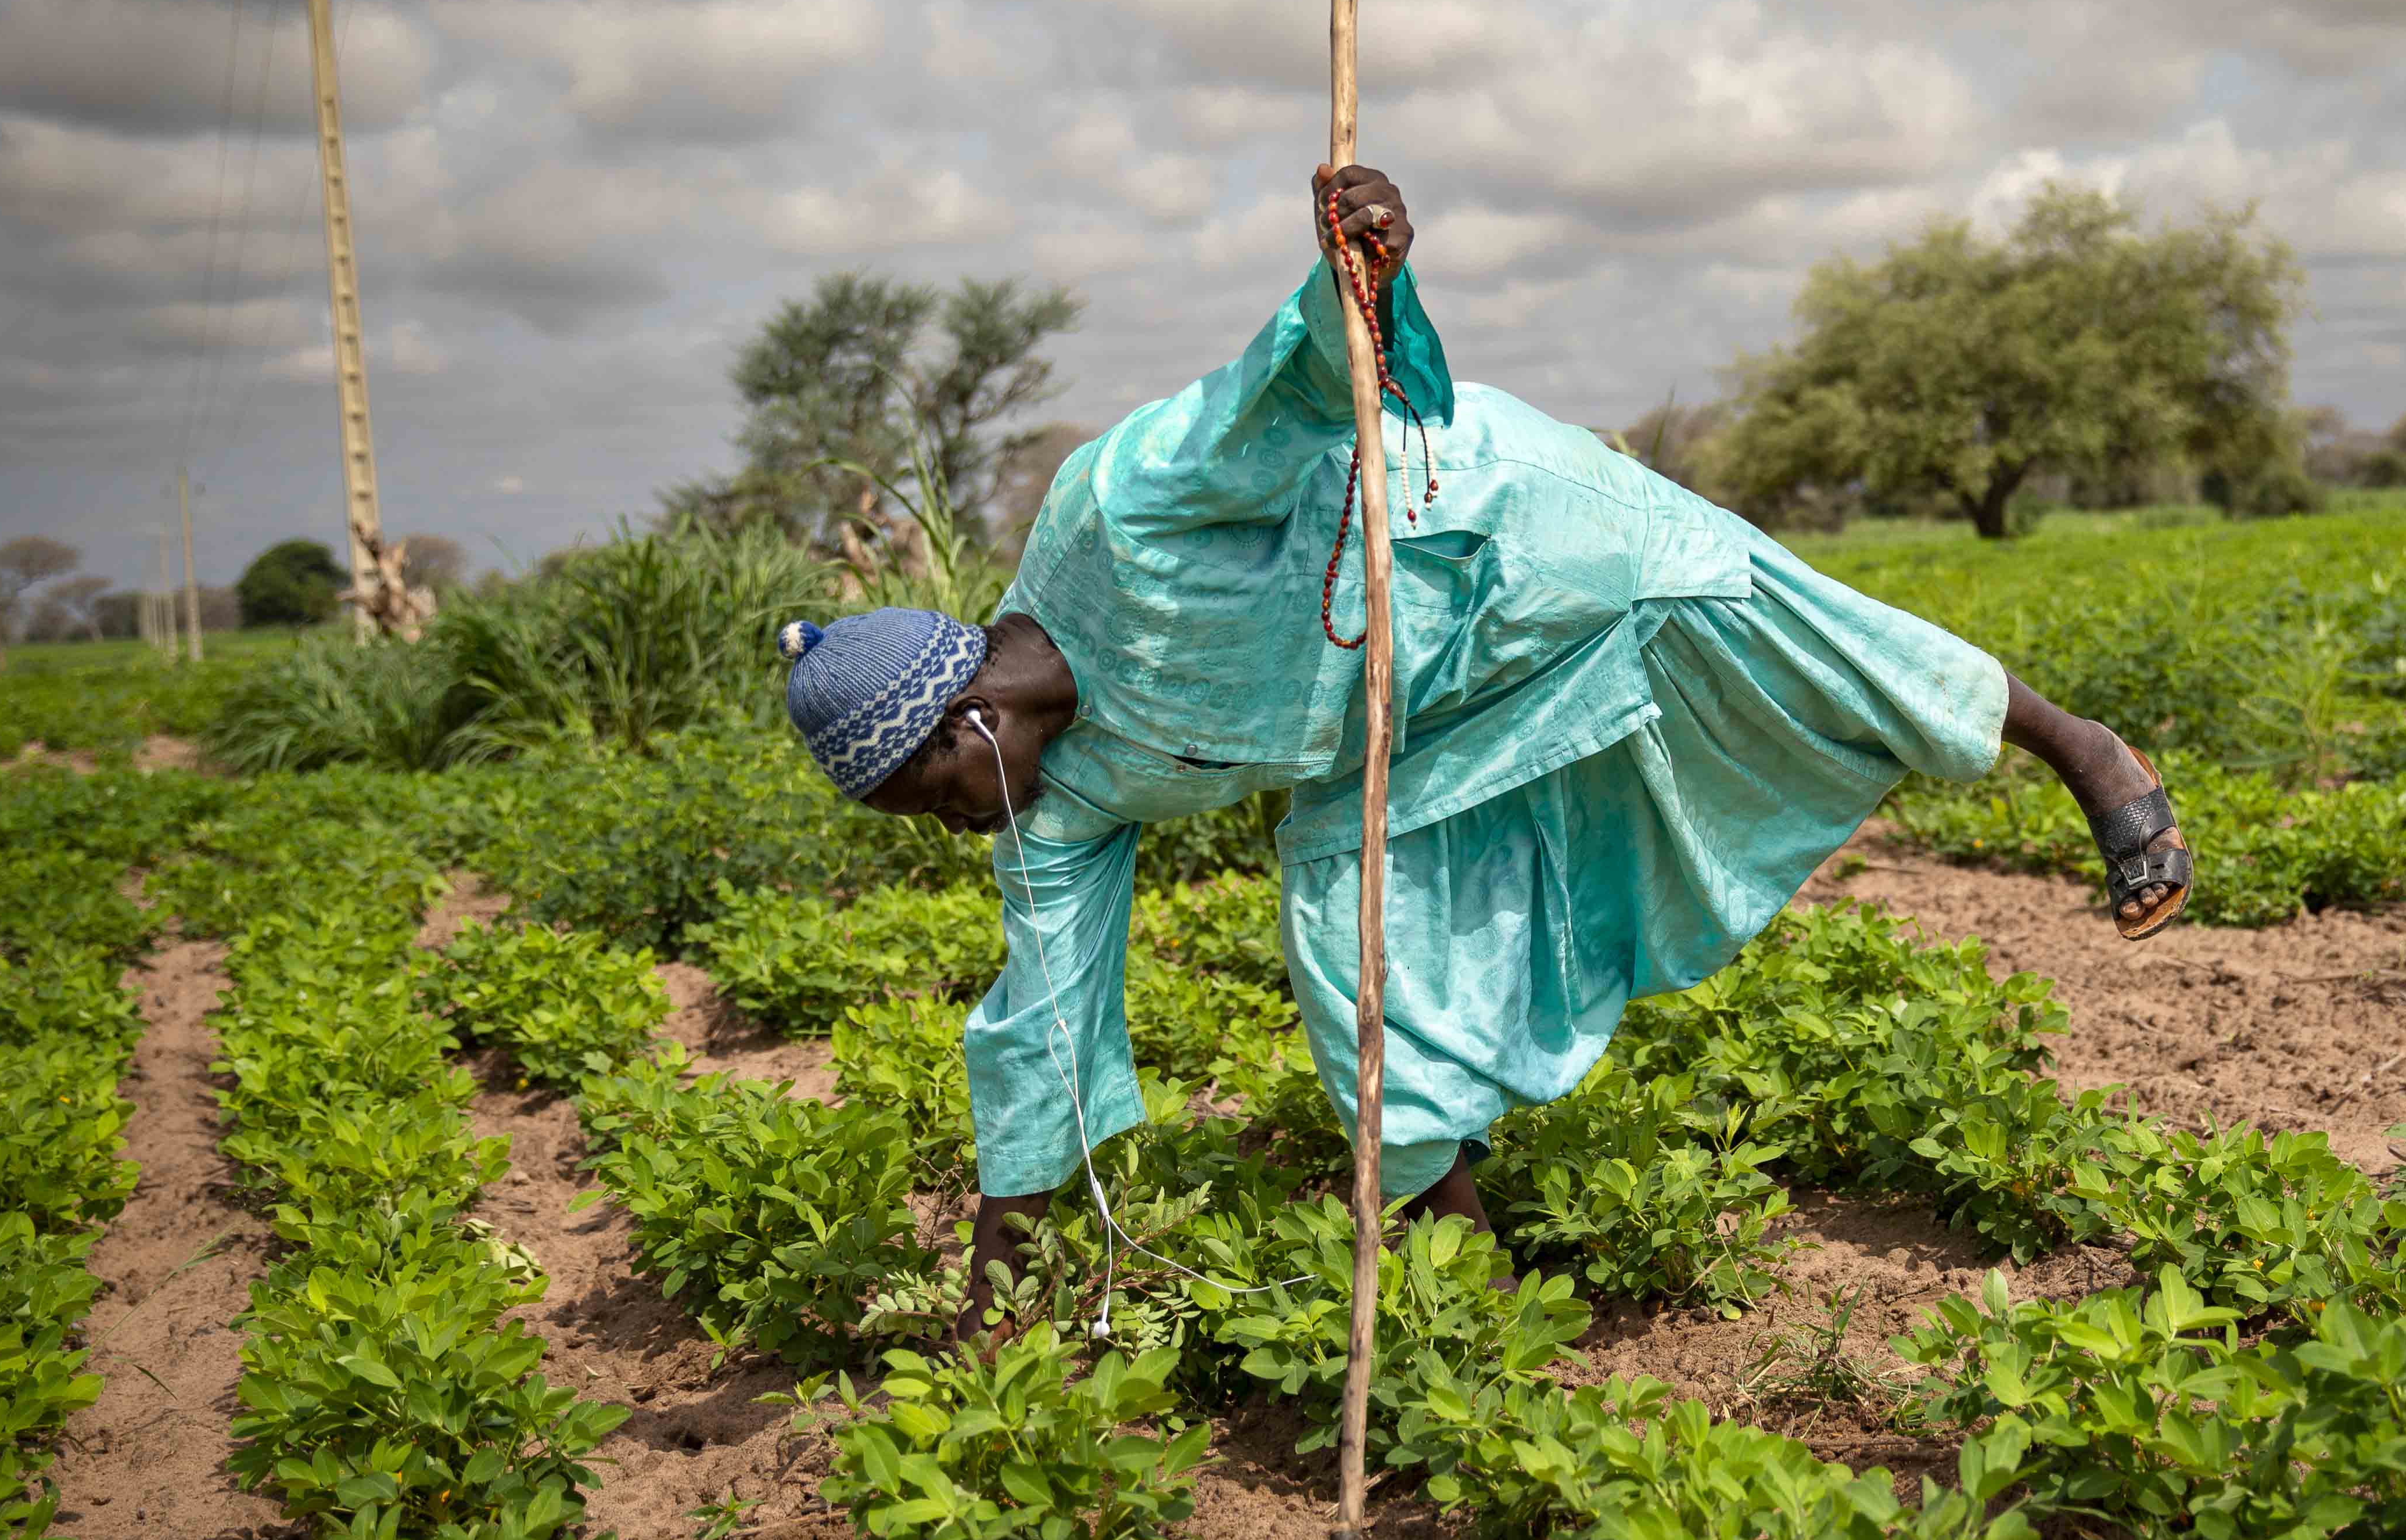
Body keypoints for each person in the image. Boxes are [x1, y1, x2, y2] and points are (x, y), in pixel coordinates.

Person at [771, 162, 2189, 1342]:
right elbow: (1040, 1027)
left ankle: (2074, 744)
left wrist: (1354, 279)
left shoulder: (1109, 515)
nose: (952, 830)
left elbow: (1269, 403)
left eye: (933, 797)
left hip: (1482, 522)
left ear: (972, 719)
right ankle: (1456, 1246)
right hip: (1412, 708)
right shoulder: (1054, 805)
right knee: (1344, 920)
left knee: (1757, 608)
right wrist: (994, 1301)